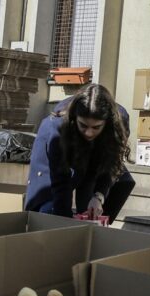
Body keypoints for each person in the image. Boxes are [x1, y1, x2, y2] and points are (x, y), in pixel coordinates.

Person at [25, 83, 135, 223]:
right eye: (83, 125)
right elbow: (61, 183)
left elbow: (111, 163)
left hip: (94, 153)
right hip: (62, 148)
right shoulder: (58, 127)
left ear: (107, 123)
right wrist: (64, 223)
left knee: (100, 200)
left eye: (96, 127)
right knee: (49, 208)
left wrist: (98, 196)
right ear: (74, 118)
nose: (89, 133)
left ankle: (93, 231)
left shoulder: (119, 122)